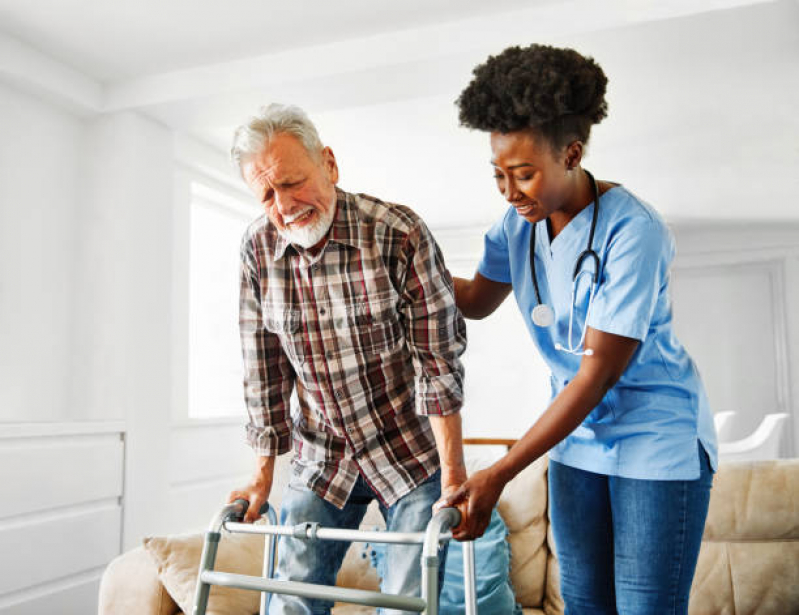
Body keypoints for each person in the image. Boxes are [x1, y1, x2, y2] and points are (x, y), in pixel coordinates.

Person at [440, 45, 718, 614]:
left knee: (646, 607)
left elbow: (595, 375)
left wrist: (501, 471)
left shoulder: (632, 230)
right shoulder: (515, 226)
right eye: (498, 174)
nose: (510, 191)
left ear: (572, 153)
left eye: (524, 174)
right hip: (579, 441)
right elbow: (472, 301)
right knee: (585, 604)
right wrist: (404, 259)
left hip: (655, 434)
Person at [227, 103, 467, 615]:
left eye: (293, 182)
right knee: (291, 602)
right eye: (267, 193)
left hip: (408, 451)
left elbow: (438, 362)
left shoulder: (398, 233)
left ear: (329, 164)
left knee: (408, 604)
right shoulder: (256, 250)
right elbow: (263, 370)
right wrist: (261, 477)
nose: (285, 204)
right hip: (322, 455)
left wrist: (453, 477)